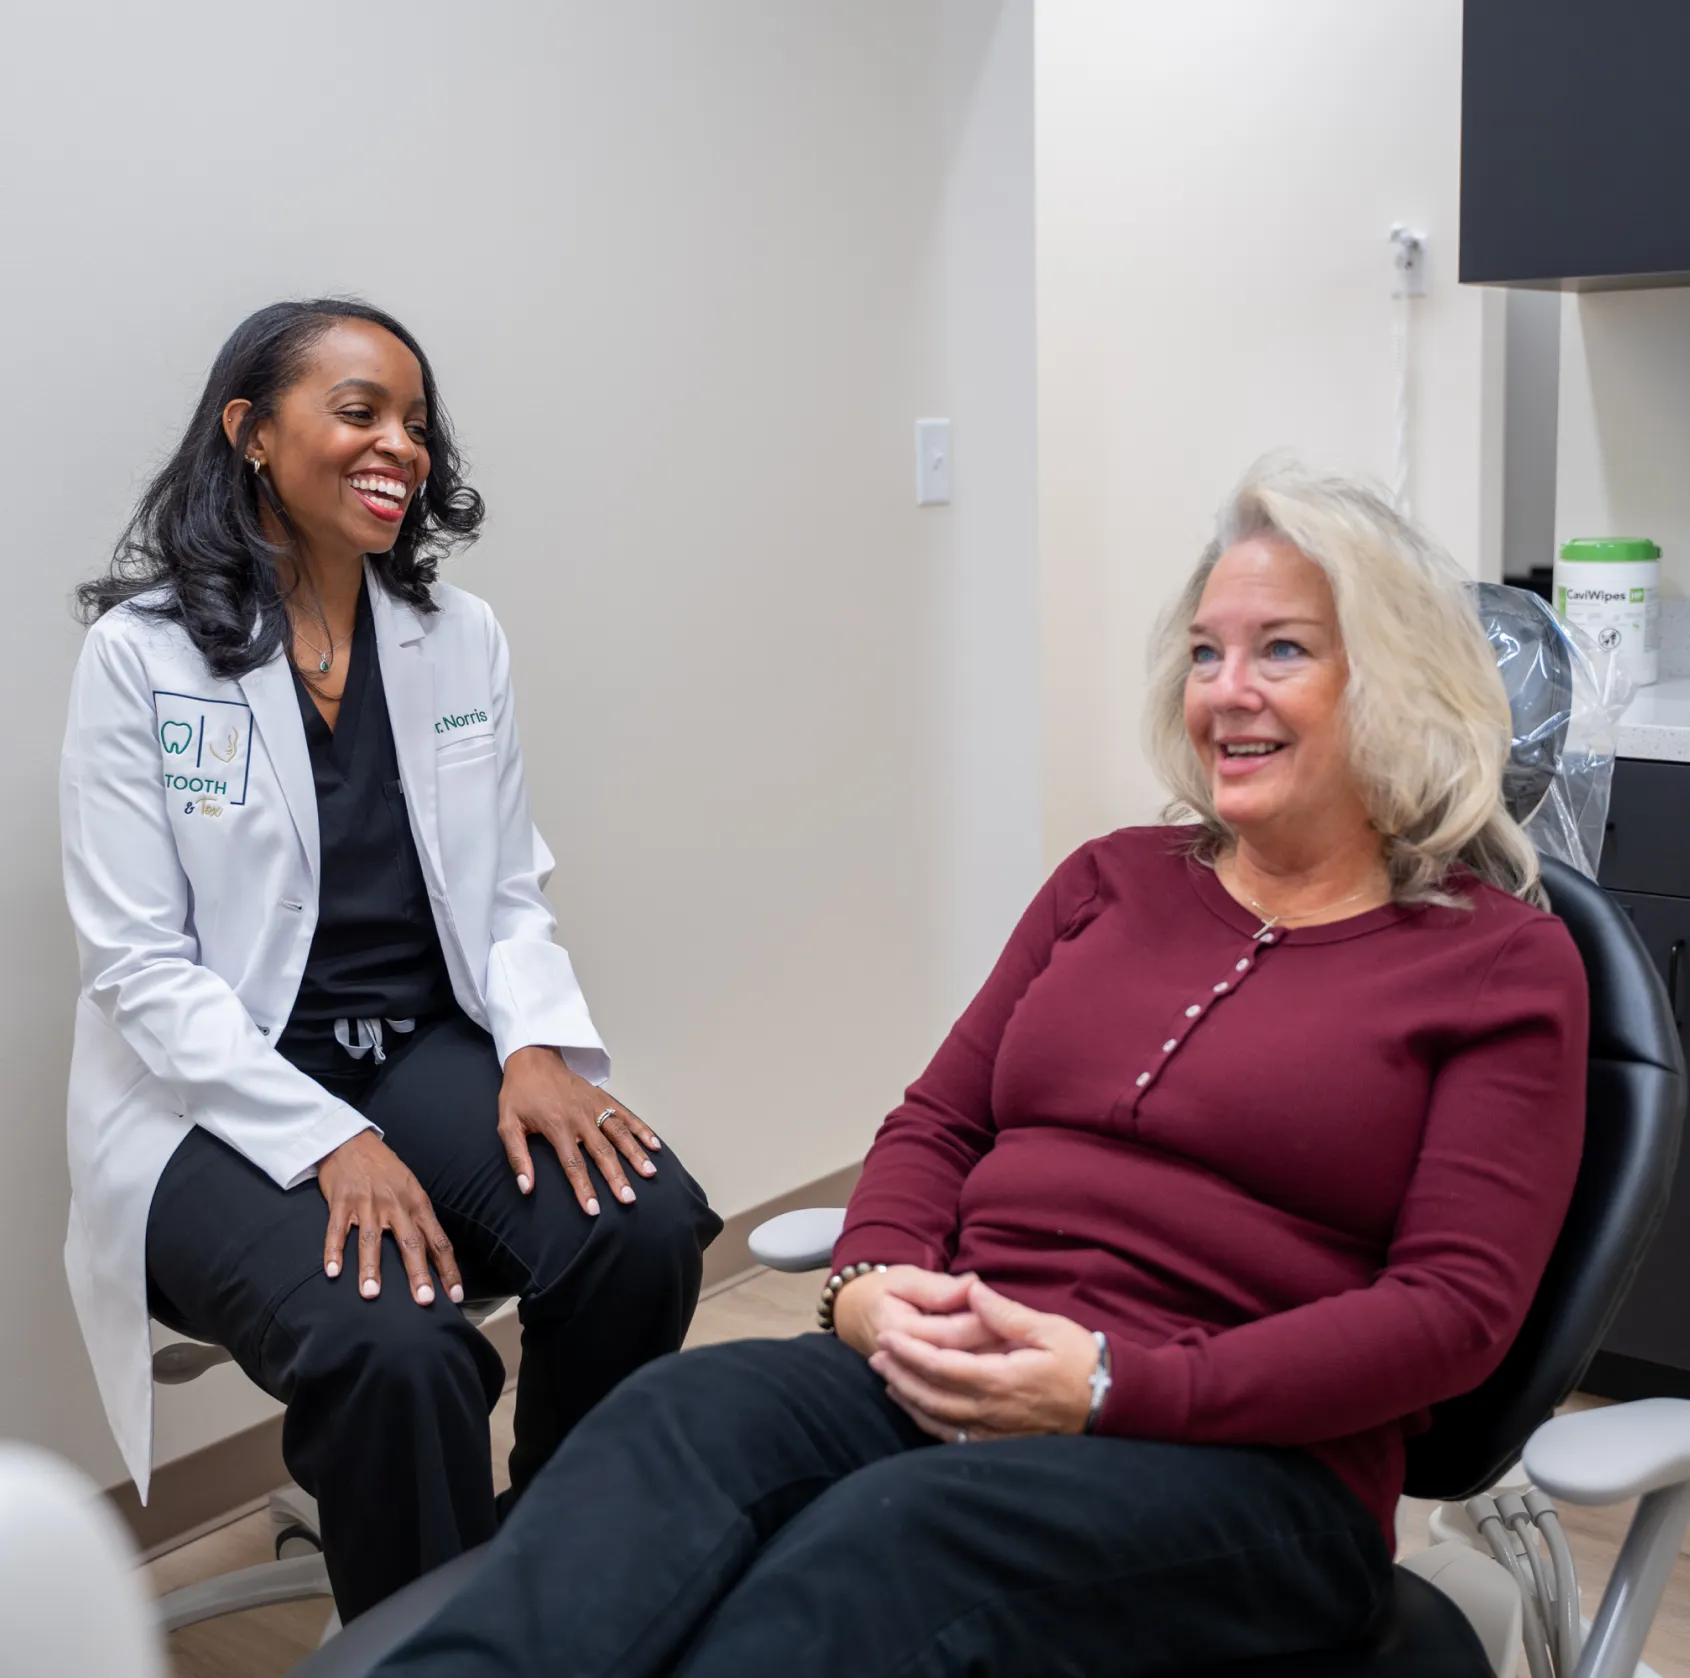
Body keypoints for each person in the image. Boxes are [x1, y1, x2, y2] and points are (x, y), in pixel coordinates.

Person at [370, 460, 1590, 1676]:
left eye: (1281, 651)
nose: (1226, 693)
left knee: (875, 1553)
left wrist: (1114, 1382)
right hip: (951, 1360)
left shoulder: (1500, 965)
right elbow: (940, 1119)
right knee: (670, 1422)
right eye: (1206, 654)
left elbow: (1450, 1316)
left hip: (1250, 1466)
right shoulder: (1109, 880)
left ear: (1390, 684)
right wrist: (872, 1281)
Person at [59, 299, 721, 1620]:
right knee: (393, 1342)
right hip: (209, 1104)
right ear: (249, 431)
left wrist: (532, 1046)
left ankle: (544, 1584)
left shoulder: (456, 634)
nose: (400, 445)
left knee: (638, 1225)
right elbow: (139, 968)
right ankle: (432, 1645)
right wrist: (325, 1140)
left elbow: (510, 889)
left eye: (414, 421)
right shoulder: (140, 658)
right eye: (359, 410)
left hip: (418, 1052)